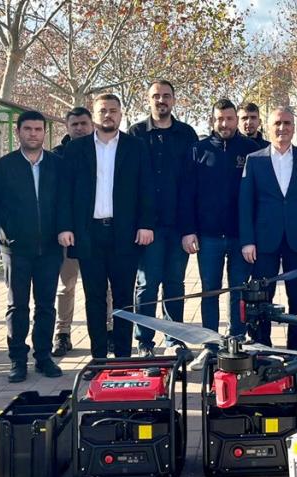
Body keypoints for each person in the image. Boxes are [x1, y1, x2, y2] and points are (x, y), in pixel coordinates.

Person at [57, 94, 155, 359]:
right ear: (94, 115)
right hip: (88, 234)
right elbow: (65, 192)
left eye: (113, 110)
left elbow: (146, 188)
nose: (108, 115)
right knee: (94, 298)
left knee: (123, 298)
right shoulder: (76, 149)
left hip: (125, 233)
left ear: (121, 114)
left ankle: (123, 357)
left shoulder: (136, 147)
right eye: (103, 111)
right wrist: (65, 227)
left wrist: (146, 224)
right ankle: (98, 357)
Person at [238, 107, 297, 349]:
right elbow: (245, 204)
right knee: (262, 298)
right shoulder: (255, 160)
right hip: (264, 241)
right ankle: (262, 346)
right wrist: (247, 241)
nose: (282, 128)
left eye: (287, 123)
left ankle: (296, 348)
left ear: (294, 127)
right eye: (277, 123)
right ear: (268, 126)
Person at [0, 111, 64, 382]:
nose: (33, 134)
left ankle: (43, 358)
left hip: (50, 249)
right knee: (17, 306)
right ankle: (17, 360)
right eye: (28, 129)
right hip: (16, 249)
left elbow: (65, 203)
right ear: (18, 132)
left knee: (46, 306)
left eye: (38, 129)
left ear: (44, 132)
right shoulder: (2, 167)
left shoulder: (57, 165)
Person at [128, 80, 198, 356]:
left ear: (174, 100)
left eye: (166, 95)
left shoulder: (187, 134)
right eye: (156, 96)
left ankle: (174, 339)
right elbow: (132, 183)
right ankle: (144, 341)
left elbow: (192, 184)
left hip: (179, 225)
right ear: (148, 100)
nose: (161, 100)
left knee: (175, 285)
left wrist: (190, 229)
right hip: (149, 227)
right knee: (147, 285)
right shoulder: (136, 134)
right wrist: (140, 224)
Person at [180, 99, 261, 337]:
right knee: (210, 291)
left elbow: (258, 195)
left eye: (229, 119)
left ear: (236, 119)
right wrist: (188, 230)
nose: (224, 124)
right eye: (219, 119)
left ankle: (236, 337)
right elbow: (187, 193)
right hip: (208, 236)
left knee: (239, 291)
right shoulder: (198, 150)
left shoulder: (251, 150)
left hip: (240, 236)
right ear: (212, 120)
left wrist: (253, 234)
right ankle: (211, 340)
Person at [52, 106, 111, 357]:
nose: (79, 128)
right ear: (67, 127)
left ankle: (108, 330)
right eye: (74, 124)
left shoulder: (104, 151)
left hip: (97, 234)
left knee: (104, 287)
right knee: (66, 285)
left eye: (83, 123)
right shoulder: (58, 156)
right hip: (69, 234)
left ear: (92, 124)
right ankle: (62, 332)